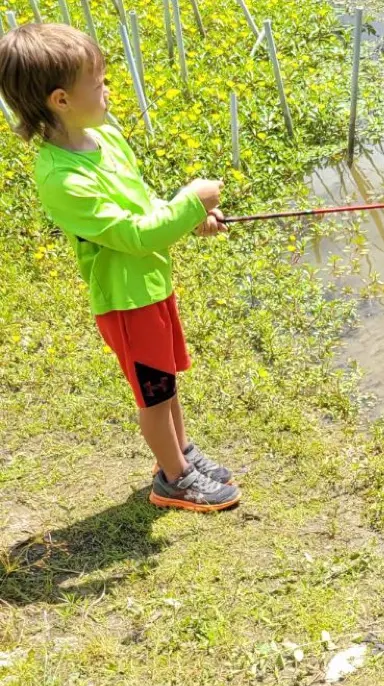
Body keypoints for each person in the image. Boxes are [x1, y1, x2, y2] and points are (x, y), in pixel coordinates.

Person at [0, 22, 240, 512]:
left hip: (152, 284)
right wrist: (190, 202)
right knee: (153, 394)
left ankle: (182, 454)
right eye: (99, 82)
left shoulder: (102, 137)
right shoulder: (61, 179)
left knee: (168, 379)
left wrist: (188, 220)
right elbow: (131, 236)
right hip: (126, 301)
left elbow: (143, 204)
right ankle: (172, 479)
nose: (108, 90)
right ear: (61, 100)